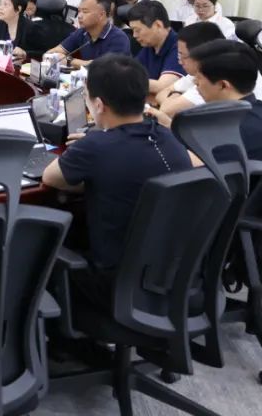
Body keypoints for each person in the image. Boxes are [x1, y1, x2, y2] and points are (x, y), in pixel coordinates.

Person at [42, 54, 192, 306]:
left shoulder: (96, 146)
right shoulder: (168, 137)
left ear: (99, 105)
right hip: (170, 276)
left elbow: (51, 177)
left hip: (114, 283)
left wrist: (91, 147)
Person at [190, 40, 262, 161]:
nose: (195, 82)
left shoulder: (228, 133)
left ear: (223, 85)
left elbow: (192, 164)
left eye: (199, 78)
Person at [153, 21, 227, 122]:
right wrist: (175, 95)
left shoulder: (211, 81)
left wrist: (174, 95)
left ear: (201, 55)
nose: (180, 61)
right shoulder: (197, 73)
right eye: (178, 55)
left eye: (182, 55)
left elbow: (167, 110)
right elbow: (161, 93)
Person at [45, 0, 131, 65]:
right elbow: (52, 52)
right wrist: (51, 56)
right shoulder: (82, 32)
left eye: (85, 12)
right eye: (79, 11)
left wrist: (69, 61)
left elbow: (102, 68)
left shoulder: (118, 38)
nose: (79, 16)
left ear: (101, 15)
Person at [126, 0, 184, 95]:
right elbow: (130, 72)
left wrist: (123, 80)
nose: (134, 35)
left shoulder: (180, 47)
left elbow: (162, 86)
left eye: (137, 30)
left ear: (158, 25)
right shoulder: (149, 46)